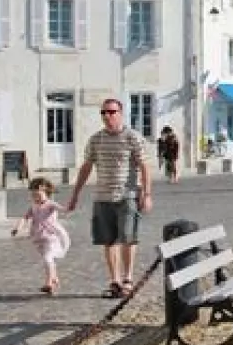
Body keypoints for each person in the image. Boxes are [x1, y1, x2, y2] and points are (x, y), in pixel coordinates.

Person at [66, 98, 152, 298]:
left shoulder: (133, 137)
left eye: (112, 112)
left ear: (121, 113)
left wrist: (146, 194)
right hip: (103, 196)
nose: (107, 116)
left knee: (128, 238)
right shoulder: (96, 139)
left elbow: (144, 167)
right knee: (108, 240)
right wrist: (75, 194)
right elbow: (86, 167)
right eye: (104, 112)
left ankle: (128, 278)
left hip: (127, 195)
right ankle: (115, 280)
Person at [12, 177, 72, 295]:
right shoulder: (33, 206)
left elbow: (62, 209)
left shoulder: (50, 204)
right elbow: (25, 217)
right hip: (38, 237)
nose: (36, 198)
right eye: (33, 195)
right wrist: (17, 228)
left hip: (51, 236)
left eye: (38, 195)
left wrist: (68, 208)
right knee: (47, 258)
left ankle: (49, 283)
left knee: (47, 257)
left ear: (45, 193)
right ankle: (54, 278)